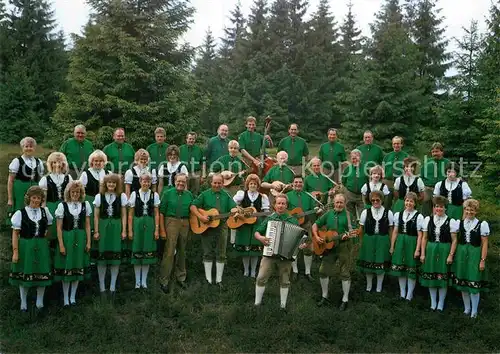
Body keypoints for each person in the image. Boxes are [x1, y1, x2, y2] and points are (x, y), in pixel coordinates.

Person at [9, 186, 54, 312]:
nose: (36, 200)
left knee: (42, 272)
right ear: (28, 198)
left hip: (41, 246)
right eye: (34, 197)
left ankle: (40, 301)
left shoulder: (45, 212)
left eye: (38, 198)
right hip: (26, 246)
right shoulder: (20, 213)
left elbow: (49, 227)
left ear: (41, 200)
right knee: (26, 272)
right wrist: (16, 251)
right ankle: (23, 302)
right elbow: (15, 234)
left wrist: (45, 235)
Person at [254, 194, 301, 310]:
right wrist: (261, 238)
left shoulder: (292, 220)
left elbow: (300, 238)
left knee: (285, 280)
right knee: (261, 277)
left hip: (285, 256)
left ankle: (283, 306)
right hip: (269, 253)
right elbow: (257, 232)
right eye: (278, 203)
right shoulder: (270, 218)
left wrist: (302, 244)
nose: (280, 206)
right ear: (274, 205)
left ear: (286, 205)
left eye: (283, 203)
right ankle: (257, 303)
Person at [190, 174, 237, 287]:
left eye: (219, 183)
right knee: (207, 252)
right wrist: (201, 217)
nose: (217, 185)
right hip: (207, 227)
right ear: (211, 183)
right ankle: (208, 279)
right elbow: (193, 206)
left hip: (222, 226)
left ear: (222, 183)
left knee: (221, 253)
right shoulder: (204, 195)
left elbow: (233, 207)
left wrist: (236, 210)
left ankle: (219, 280)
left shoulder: (226, 195)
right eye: (215, 183)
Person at [313, 193, 358, 310]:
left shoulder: (349, 216)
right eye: (337, 202)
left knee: (344, 272)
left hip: (344, 247)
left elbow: (354, 232)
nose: (338, 204)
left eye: (341, 202)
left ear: (345, 203)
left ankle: (345, 299)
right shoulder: (328, 214)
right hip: (328, 247)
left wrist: (347, 236)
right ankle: (325, 296)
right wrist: (317, 237)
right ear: (333, 202)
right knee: (323, 270)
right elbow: (315, 225)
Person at [53, 181, 92, 306]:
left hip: (80, 238)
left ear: (81, 193)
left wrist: (88, 242)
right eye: (73, 192)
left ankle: (73, 297)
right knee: (68, 267)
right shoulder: (62, 206)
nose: (75, 194)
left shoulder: (85, 205)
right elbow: (58, 227)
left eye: (77, 192)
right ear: (68, 193)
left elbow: (87, 225)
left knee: (77, 265)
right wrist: (61, 244)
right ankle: (65, 298)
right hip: (67, 237)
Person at [451, 199, 490, 318]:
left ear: (476, 211)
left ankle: (474, 310)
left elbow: (484, 244)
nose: (469, 212)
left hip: (475, 254)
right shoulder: (460, 223)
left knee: (473, 282)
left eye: (472, 210)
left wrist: (482, 260)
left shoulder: (481, 224)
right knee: (463, 281)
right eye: (467, 209)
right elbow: (455, 240)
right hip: (462, 254)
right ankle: (467, 308)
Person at [419, 196, 458, 312]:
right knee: (431, 275)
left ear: (445, 208)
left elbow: (454, 240)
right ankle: (433, 302)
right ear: (434, 208)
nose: (439, 209)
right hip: (431, 248)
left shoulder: (451, 221)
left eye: (441, 207)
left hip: (444, 249)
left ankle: (441, 303)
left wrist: (451, 254)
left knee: (442, 276)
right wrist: (422, 253)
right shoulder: (428, 220)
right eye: (437, 206)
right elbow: (424, 238)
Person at [93, 174, 128, 295]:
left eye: (114, 183)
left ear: (117, 184)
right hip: (103, 227)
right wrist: (96, 231)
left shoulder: (121, 196)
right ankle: (102, 287)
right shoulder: (99, 196)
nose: (111, 185)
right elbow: (96, 216)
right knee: (102, 258)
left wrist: (124, 230)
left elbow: (124, 214)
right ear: (105, 184)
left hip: (116, 226)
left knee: (115, 258)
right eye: (109, 183)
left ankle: (112, 287)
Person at [159, 173, 194, 293]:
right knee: (169, 251)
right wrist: (162, 230)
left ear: (186, 183)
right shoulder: (168, 193)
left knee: (182, 250)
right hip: (171, 221)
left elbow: (193, 210)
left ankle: (181, 277)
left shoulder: (189, 195)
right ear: (174, 181)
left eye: (183, 182)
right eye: (179, 181)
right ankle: (164, 280)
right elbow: (161, 212)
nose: (181, 184)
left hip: (185, 222)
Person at [389, 192, 426, 301]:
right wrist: (392, 246)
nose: (408, 203)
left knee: (411, 269)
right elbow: (395, 232)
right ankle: (402, 292)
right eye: (407, 201)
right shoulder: (398, 215)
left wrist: (417, 250)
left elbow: (420, 235)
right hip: (400, 242)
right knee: (401, 268)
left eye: (411, 201)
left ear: (415, 203)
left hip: (412, 242)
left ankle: (409, 294)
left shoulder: (419, 216)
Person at [232, 174, 270, 278]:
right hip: (244, 223)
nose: (252, 185)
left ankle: (253, 271)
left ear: (258, 185)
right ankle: (245, 270)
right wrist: (238, 209)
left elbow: (266, 212)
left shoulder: (263, 197)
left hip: (257, 224)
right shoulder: (242, 194)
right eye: (251, 183)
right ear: (247, 184)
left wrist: (264, 217)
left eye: (255, 184)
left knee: (255, 249)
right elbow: (233, 204)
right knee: (245, 248)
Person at [127, 173, 160, 289]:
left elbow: (156, 213)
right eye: (144, 181)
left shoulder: (154, 195)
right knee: (137, 251)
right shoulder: (134, 194)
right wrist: (130, 230)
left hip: (150, 224)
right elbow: (130, 215)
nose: (146, 183)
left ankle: (144, 281)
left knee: (147, 251)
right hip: (137, 224)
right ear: (140, 182)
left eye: (148, 181)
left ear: (150, 183)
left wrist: (156, 229)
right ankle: (137, 281)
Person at [357, 190, 394, 293]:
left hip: (383, 239)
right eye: (373, 200)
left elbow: (391, 229)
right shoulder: (366, 212)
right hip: (369, 239)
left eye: (377, 200)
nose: (375, 202)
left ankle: (379, 287)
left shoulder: (388, 212)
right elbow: (361, 229)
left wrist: (391, 244)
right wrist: (361, 242)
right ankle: (369, 286)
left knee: (380, 262)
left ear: (382, 200)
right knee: (369, 263)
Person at [287, 175, 320, 281]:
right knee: (293, 248)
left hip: (306, 224)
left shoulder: (308, 195)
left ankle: (307, 272)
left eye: (300, 182)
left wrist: (317, 210)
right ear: (292, 184)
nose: (298, 184)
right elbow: (283, 209)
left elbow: (313, 208)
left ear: (303, 184)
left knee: (308, 248)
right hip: (292, 224)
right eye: (296, 182)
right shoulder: (287, 196)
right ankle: (295, 271)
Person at [39, 152, 73, 245]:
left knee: (64, 229)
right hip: (51, 206)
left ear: (63, 164)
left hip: (65, 206)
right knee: (52, 230)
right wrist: (43, 210)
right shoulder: (45, 179)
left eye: (59, 162)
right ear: (50, 164)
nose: (57, 164)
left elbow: (70, 196)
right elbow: (44, 198)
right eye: (54, 162)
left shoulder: (68, 178)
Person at [7, 137, 45, 215]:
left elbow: (41, 180)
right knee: (20, 211)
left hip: (34, 190)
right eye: (26, 146)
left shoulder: (39, 162)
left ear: (34, 148)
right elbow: (10, 181)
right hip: (20, 190)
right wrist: (10, 199)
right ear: (22, 148)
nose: (29, 148)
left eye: (31, 146)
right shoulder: (17, 161)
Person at [420, 143, 450, 216]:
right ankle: (425, 224)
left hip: (441, 190)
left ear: (442, 152)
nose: (434, 153)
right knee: (425, 210)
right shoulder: (427, 162)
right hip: (428, 189)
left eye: (437, 151)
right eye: (433, 152)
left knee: (439, 209)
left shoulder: (447, 163)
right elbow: (421, 176)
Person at [382, 136, 408, 209]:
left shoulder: (405, 156)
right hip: (388, 182)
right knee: (386, 202)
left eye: (398, 143)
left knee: (399, 203)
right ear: (392, 144)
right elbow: (383, 169)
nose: (396, 145)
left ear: (401, 144)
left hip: (401, 182)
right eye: (394, 143)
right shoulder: (387, 156)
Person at [342, 149, 368, 220]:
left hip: (362, 195)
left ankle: (361, 228)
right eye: (353, 158)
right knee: (350, 214)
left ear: (360, 157)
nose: (355, 160)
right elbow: (343, 181)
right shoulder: (347, 169)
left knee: (363, 214)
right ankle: (352, 228)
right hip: (350, 194)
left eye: (356, 158)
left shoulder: (366, 168)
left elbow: (369, 181)